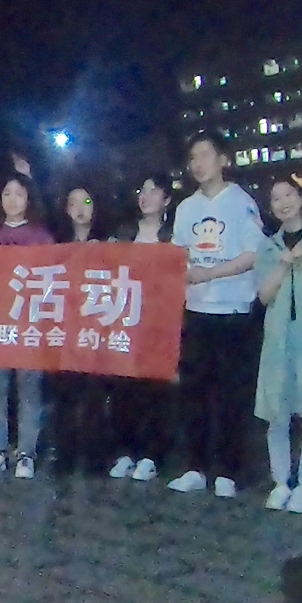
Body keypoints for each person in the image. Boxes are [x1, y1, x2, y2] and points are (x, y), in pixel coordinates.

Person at [168, 132, 264, 499]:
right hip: (196, 310)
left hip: (233, 311)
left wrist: (209, 273)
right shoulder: (186, 208)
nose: (198, 163)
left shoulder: (242, 203)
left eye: (205, 155)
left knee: (230, 394)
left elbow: (252, 254)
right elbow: (178, 254)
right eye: (193, 157)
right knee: (193, 391)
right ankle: (195, 466)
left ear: (224, 160)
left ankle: (228, 470)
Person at [0, 175, 53, 478]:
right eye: (6, 193)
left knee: (29, 392)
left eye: (19, 193)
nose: (12, 199)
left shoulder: (40, 235)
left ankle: (26, 454)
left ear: (29, 198)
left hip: (29, 325)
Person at [104, 173, 177, 483]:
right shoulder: (124, 233)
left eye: (153, 191)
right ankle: (125, 451)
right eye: (142, 190)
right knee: (124, 389)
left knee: (154, 390)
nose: (145, 196)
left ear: (167, 199)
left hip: (160, 323)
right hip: (126, 321)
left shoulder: (174, 235)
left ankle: (151, 455)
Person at [254, 179, 302, 514]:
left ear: (300, 199)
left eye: (289, 195)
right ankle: (281, 482)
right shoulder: (269, 247)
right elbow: (263, 295)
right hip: (277, 339)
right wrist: (285, 263)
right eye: (275, 198)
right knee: (277, 412)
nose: (283, 202)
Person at [49, 185, 110, 476]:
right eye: (72, 203)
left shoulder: (111, 244)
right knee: (65, 396)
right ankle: (65, 453)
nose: (79, 208)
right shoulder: (56, 246)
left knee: (95, 395)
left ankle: (95, 455)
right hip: (65, 331)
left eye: (86, 201)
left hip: (97, 331)